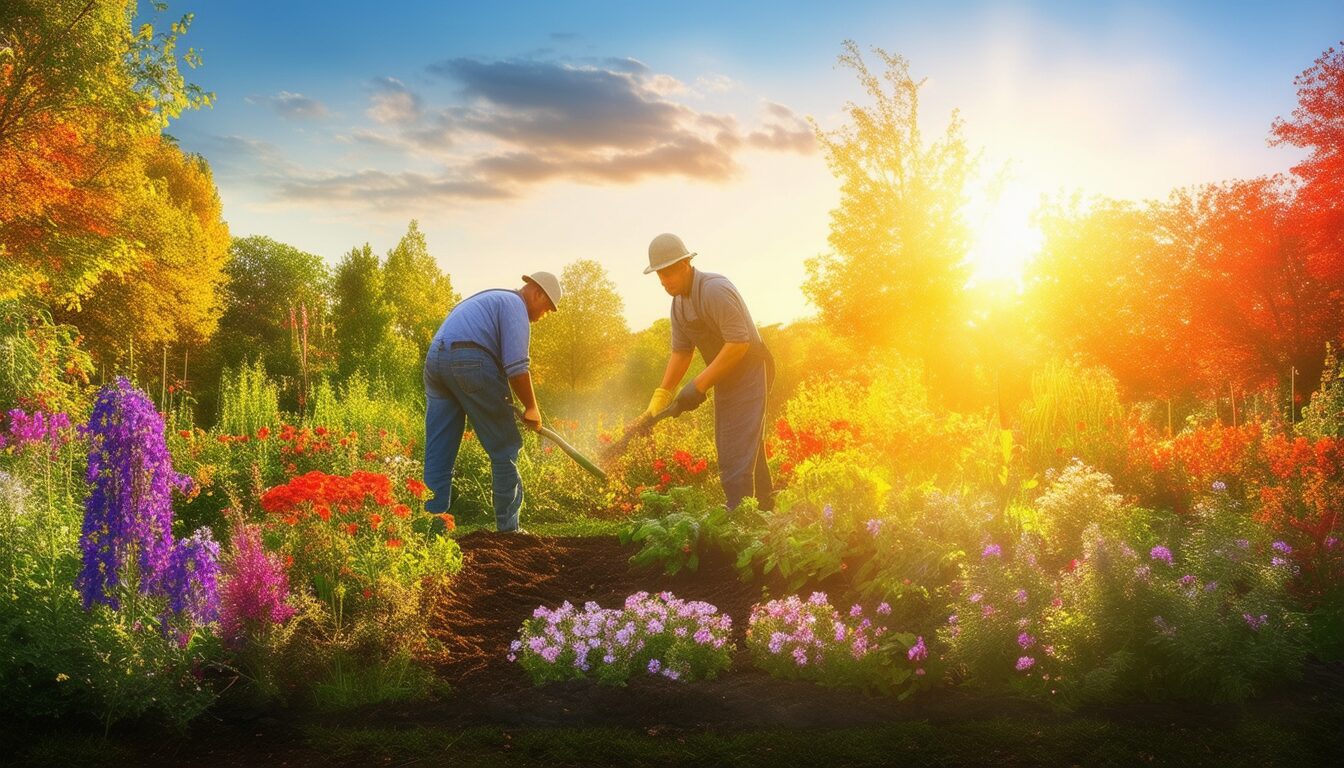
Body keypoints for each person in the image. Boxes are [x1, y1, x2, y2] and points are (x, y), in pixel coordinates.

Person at [642, 233, 774, 511]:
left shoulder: (714, 289)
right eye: (659, 276)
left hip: (750, 368)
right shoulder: (678, 304)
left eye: (668, 273)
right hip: (727, 374)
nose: (664, 281)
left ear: (686, 263)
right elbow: (681, 352)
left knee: (736, 448)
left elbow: (739, 343)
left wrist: (699, 385)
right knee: (743, 444)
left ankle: (740, 518)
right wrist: (663, 393)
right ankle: (765, 513)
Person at [423, 272, 561, 534]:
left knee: (439, 452)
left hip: (435, 361)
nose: (544, 316)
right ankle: (509, 532)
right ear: (537, 293)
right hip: (468, 359)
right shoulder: (516, 307)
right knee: (505, 445)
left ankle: (430, 531)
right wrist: (532, 407)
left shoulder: (492, 298)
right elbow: (517, 366)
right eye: (546, 309)